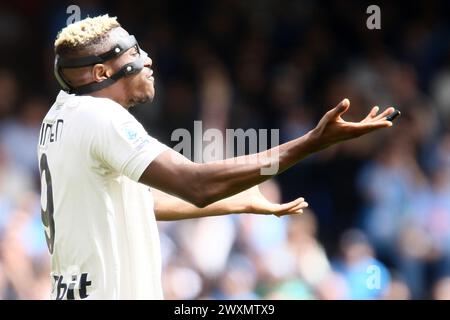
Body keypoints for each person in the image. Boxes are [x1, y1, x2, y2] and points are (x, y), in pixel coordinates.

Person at [38, 15, 396, 299]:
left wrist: (237, 200)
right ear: (101, 72)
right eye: (133, 54)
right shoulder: (103, 117)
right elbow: (195, 184)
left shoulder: (60, 116)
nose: (147, 60)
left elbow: (141, 203)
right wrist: (312, 143)